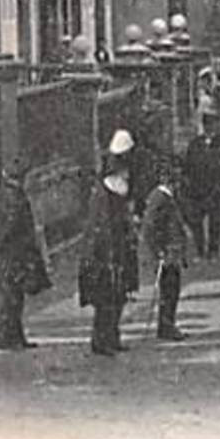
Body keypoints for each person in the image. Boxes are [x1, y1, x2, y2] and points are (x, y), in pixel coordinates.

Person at [0, 158, 51, 351]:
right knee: (12, 296)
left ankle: (15, 336)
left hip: (11, 253)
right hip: (15, 253)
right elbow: (11, 226)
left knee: (14, 295)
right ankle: (3, 337)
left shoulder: (6, 195)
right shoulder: (16, 198)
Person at [79, 147, 138, 357]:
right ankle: (101, 341)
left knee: (118, 298)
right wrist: (111, 258)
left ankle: (112, 337)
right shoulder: (104, 197)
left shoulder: (115, 195)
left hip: (117, 255)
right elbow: (102, 231)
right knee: (106, 301)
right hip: (103, 258)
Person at [141, 165, 191, 341]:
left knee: (172, 291)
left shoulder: (164, 198)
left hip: (172, 255)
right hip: (166, 256)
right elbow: (149, 227)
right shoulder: (160, 198)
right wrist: (158, 251)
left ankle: (168, 325)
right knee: (168, 292)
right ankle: (166, 327)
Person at [181, 116, 220, 259]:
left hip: (215, 187)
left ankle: (213, 251)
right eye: (207, 124)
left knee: (215, 220)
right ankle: (200, 250)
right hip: (198, 187)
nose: (210, 127)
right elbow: (188, 165)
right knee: (196, 221)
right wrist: (189, 182)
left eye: (212, 124)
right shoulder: (195, 144)